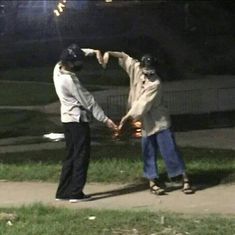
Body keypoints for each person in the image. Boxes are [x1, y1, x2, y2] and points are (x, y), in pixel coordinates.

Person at [103, 51, 193, 195]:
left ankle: (185, 179)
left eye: (151, 71)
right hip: (146, 122)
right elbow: (125, 57)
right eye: (146, 70)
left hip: (159, 121)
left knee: (170, 151)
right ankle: (152, 181)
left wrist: (127, 118)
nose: (148, 74)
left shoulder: (156, 83)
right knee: (148, 152)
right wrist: (109, 53)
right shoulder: (137, 69)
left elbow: (143, 104)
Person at [53, 44, 117, 202]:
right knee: (81, 156)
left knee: (70, 155)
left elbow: (78, 52)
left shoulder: (57, 68)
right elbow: (89, 102)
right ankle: (76, 193)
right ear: (70, 63)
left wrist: (93, 52)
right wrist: (105, 120)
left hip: (66, 120)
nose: (79, 65)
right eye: (77, 63)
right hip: (77, 121)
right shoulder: (70, 81)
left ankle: (63, 191)